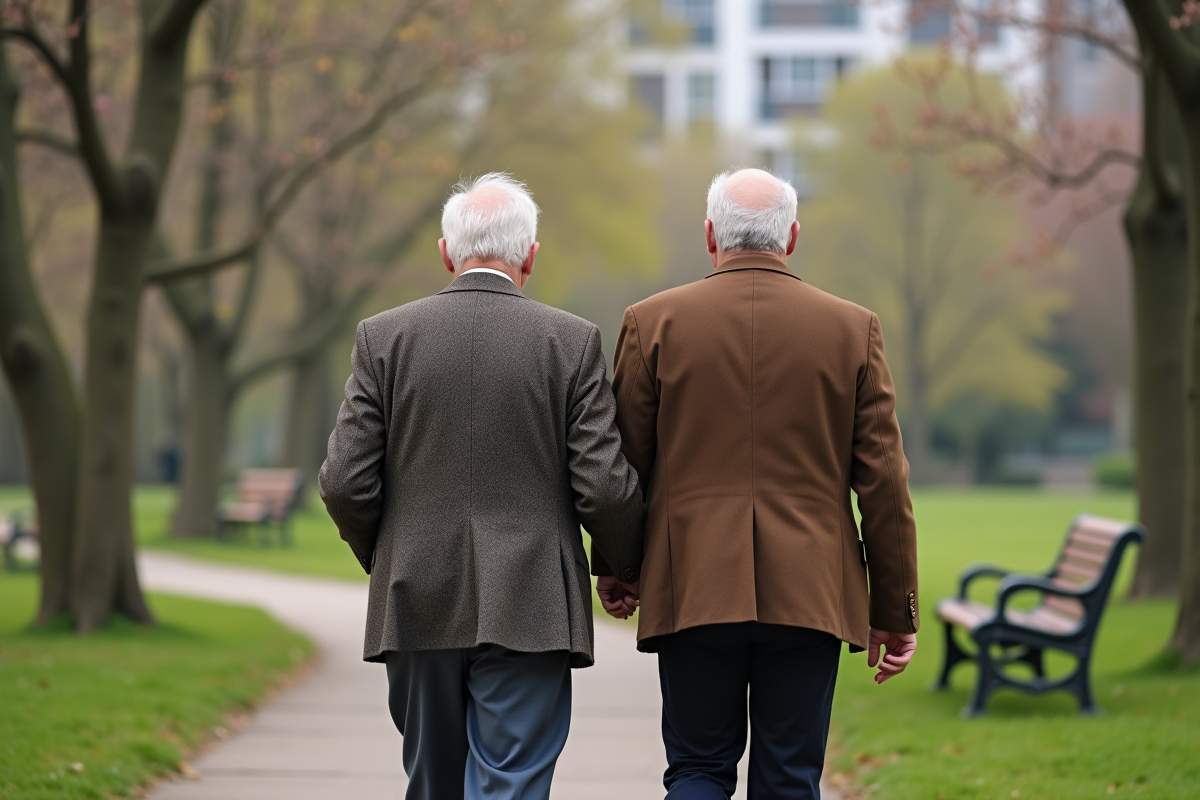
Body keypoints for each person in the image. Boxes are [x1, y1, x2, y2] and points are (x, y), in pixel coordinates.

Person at [595, 168, 920, 799]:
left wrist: (618, 566)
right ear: (792, 237)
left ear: (710, 234)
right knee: (791, 777)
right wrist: (894, 606)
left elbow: (621, 464)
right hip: (811, 588)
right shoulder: (854, 329)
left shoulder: (651, 322)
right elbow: (883, 481)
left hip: (691, 583)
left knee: (696, 769)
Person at [319, 173, 645, 800]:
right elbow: (603, 486)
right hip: (533, 602)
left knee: (433, 785)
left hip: (416, 597)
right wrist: (623, 564)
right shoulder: (572, 343)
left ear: (447, 252)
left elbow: (343, 482)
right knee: (511, 787)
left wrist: (388, 554)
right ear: (530, 254)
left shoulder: (383, 339)